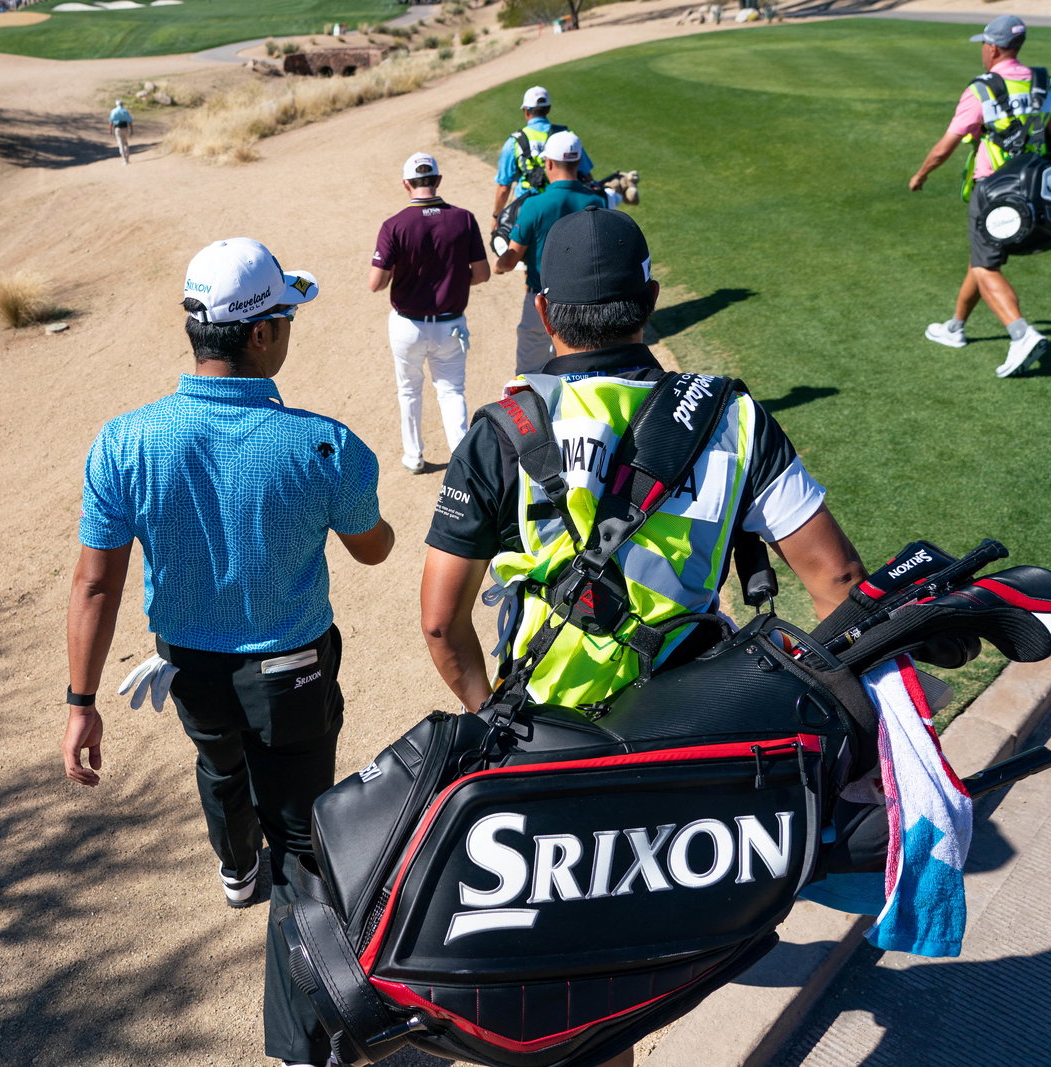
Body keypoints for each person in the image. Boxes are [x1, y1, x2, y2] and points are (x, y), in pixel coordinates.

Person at [63, 237, 395, 1067]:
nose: (289, 327)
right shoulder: (324, 443)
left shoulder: (123, 441)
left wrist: (81, 702)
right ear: (260, 335)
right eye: (285, 314)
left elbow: (95, 587)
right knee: (302, 851)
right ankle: (295, 1048)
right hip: (292, 673)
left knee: (217, 759)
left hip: (184, 667)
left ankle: (232, 863)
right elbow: (373, 548)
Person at [421, 208, 866, 726]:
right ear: (650, 299)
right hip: (695, 720)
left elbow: (440, 625)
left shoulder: (498, 432)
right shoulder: (734, 417)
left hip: (548, 728)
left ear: (543, 312)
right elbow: (839, 581)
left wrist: (494, 719)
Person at [909, 14, 1051, 378]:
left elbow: (946, 146)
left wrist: (921, 174)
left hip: (994, 191)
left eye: (984, 44)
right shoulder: (1044, 83)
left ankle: (1021, 333)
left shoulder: (982, 89)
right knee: (980, 259)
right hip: (1034, 190)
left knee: (985, 265)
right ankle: (955, 327)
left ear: (993, 48)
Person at [368, 151, 491, 474]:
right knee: (451, 393)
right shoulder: (463, 218)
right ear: (437, 180)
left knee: (409, 390)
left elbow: (376, 284)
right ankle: (463, 463)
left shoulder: (394, 225)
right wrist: (452, 276)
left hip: (408, 326)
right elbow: (482, 274)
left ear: (406, 184)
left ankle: (414, 456)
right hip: (451, 325)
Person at [494, 131, 606, 374]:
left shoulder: (535, 204)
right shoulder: (598, 201)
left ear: (550, 163)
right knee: (577, 373)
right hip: (585, 305)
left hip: (542, 302)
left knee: (529, 377)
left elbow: (511, 258)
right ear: (577, 163)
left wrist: (499, 266)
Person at [491, 86, 595, 222]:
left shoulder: (515, 141)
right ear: (548, 109)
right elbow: (587, 176)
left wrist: (496, 216)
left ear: (526, 111)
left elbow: (504, 187)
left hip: (528, 210)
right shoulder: (568, 137)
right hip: (566, 209)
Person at [107, 99, 133, 164]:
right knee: (125, 143)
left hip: (117, 128)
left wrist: (110, 129)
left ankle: (124, 159)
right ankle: (127, 158)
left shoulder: (113, 111)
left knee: (120, 144)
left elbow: (111, 121)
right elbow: (130, 121)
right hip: (125, 128)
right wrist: (131, 130)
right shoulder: (125, 111)